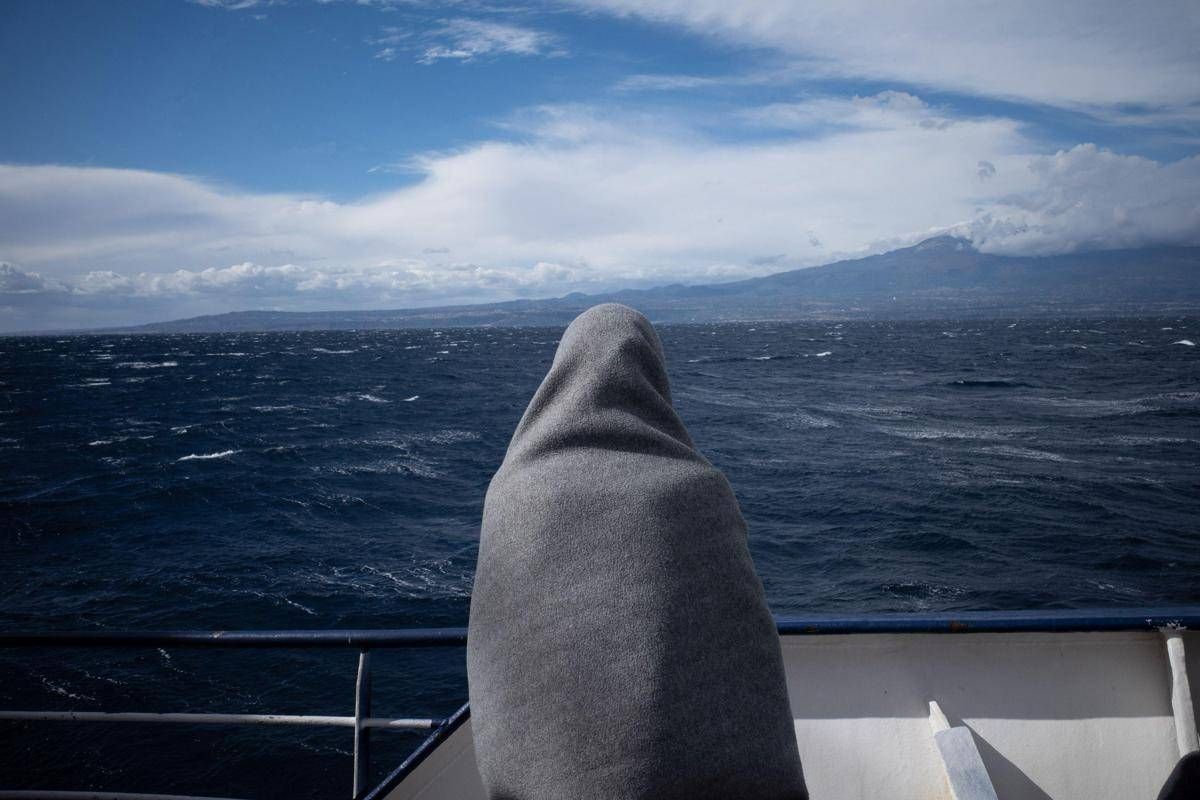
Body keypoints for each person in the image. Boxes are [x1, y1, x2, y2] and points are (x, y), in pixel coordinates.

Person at [467, 303, 808, 799]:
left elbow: (495, 649)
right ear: (652, 374)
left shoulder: (511, 494)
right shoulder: (695, 487)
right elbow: (741, 642)